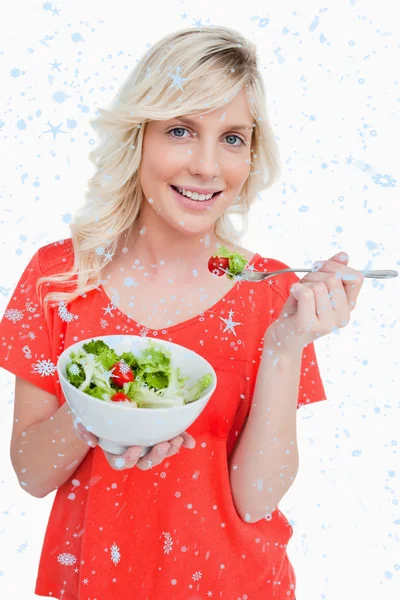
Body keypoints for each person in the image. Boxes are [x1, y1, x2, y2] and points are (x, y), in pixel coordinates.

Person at [0, 26, 333, 600]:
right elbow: (31, 474)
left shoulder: (269, 291)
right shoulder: (60, 278)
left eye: (232, 138)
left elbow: (257, 497)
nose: (207, 166)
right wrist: (94, 416)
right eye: (181, 131)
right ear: (139, 138)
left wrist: (285, 346)